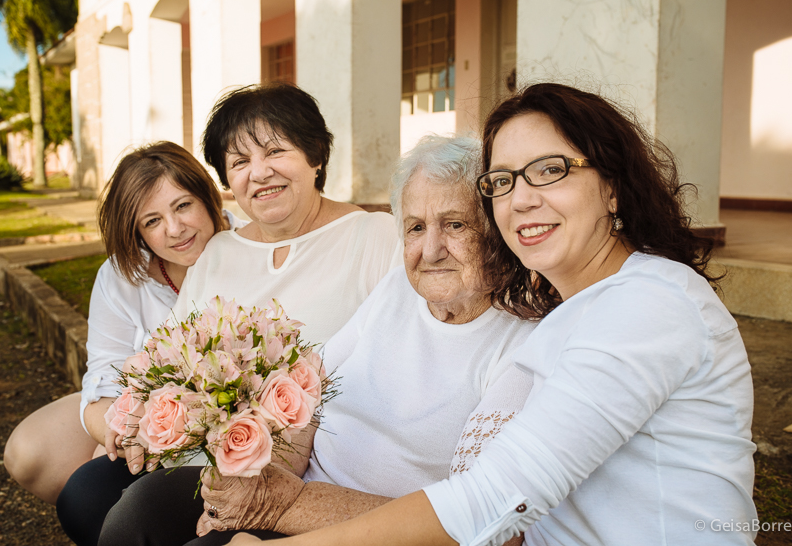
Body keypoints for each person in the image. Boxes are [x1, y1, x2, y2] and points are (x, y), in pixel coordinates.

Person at [223, 82, 758, 546]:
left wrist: (278, 526)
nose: (521, 199)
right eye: (503, 180)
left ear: (613, 187)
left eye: (550, 170)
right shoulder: (571, 309)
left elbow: (492, 502)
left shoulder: (647, 306)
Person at [59, 83, 403, 546]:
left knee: (145, 522)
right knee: (85, 494)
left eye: (275, 151)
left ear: (316, 156)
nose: (258, 174)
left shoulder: (374, 237)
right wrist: (139, 419)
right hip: (206, 454)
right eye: (239, 162)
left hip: (303, 465)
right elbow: (170, 356)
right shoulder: (219, 251)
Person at [188, 134, 535, 545]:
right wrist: (265, 483)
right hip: (293, 499)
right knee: (140, 510)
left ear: (498, 229)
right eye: (415, 227)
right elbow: (310, 396)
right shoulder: (398, 290)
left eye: (456, 224)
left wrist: (283, 506)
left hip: (378, 533)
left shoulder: (523, 343)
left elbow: (479, 524)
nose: (430, 249)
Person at [2, 141, 234, 543]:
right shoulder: (123, 274)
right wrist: (119, 431)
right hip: (149, 412)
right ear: (136, 231)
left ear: (208, 197)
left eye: (183, 206)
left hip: (229, 417)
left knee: (110, 484)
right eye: (152, 221)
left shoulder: (250, 247)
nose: (174, 229)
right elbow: (105, 373)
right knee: (35, 456)